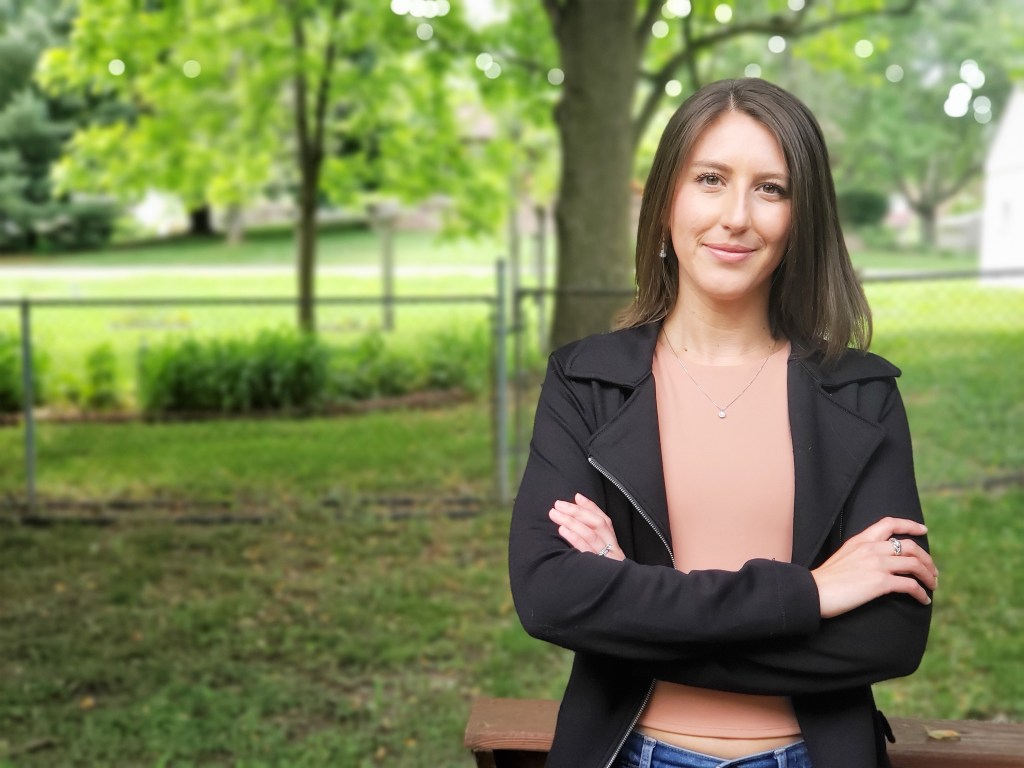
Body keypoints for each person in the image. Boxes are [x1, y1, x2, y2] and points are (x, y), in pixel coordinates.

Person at [508, 78, 937, 768]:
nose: (737, 216)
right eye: (711, 179)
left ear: (802, 218)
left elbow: (888, 637)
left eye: (772, 188)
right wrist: (812, 594)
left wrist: (632, 604)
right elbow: (552, 597)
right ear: (667, 199)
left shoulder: (862, 394)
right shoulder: (586, 382)